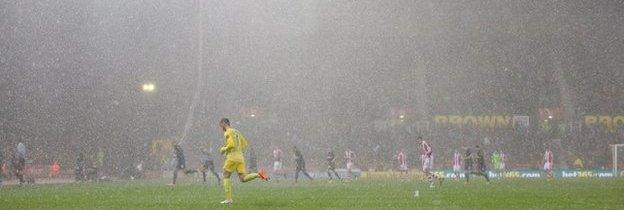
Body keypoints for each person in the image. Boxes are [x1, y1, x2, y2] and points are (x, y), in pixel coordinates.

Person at [218, 118, 269, 204]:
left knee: (226, 176)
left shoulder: (228, 132)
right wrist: (238, 151)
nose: (221, 128)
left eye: (221, 125)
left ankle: (229, 199)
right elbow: (244, 144)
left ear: (224, 123)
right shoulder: (236, 131)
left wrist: (224, 149)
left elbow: (231, 144)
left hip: (232, 157)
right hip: (240, 157)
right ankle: (258, 174)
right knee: (243, 178)